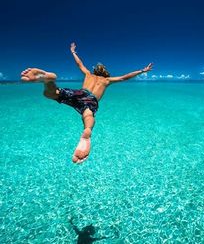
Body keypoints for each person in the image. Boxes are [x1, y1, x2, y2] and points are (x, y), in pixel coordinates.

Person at [21, 42, 153, 164]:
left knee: (51, 94)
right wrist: (142, 71)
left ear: (95, 71)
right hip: (91, 99)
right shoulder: (107, 80)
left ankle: (48, 80)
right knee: (88, 114)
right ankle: (87, 131)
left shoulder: (89, 74)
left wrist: (73, 52)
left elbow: (80, 64)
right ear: (106, 73)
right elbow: (125, 77)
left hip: (80, 92)